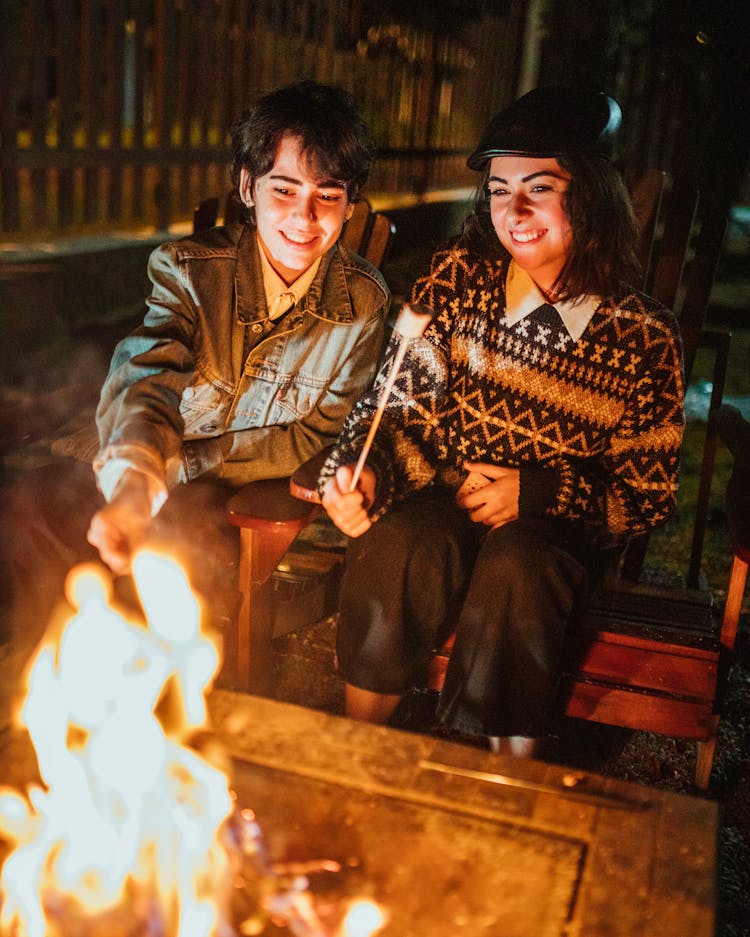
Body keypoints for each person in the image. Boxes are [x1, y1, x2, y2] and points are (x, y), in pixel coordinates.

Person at [319, 86, 685, 756]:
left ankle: (505, 779)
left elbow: (647, 496)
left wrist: (539, 492)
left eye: (538, 188)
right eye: (496, 189)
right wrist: (366, 470)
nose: (512, 211)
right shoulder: (460, 280)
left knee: (517, 562)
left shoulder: (644, 335)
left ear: (592, 194)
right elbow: (399, 403)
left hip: (553, 537)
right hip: (448, 502)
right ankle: (358, 747)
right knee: (399, 538)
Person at [5, 79, 389, 652]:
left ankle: (159, 711)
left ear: (349, 202)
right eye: (284, 189)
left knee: (179, 544)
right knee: (30, 511)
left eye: (327, 196)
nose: (304, 218)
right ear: (247, 186)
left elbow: (319, 431)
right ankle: (43, 692)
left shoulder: (363, 303)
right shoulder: (188, 270)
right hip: (141, 457)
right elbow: (147, 375)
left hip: (229, 492)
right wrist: (136, 481)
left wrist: (192, 464)